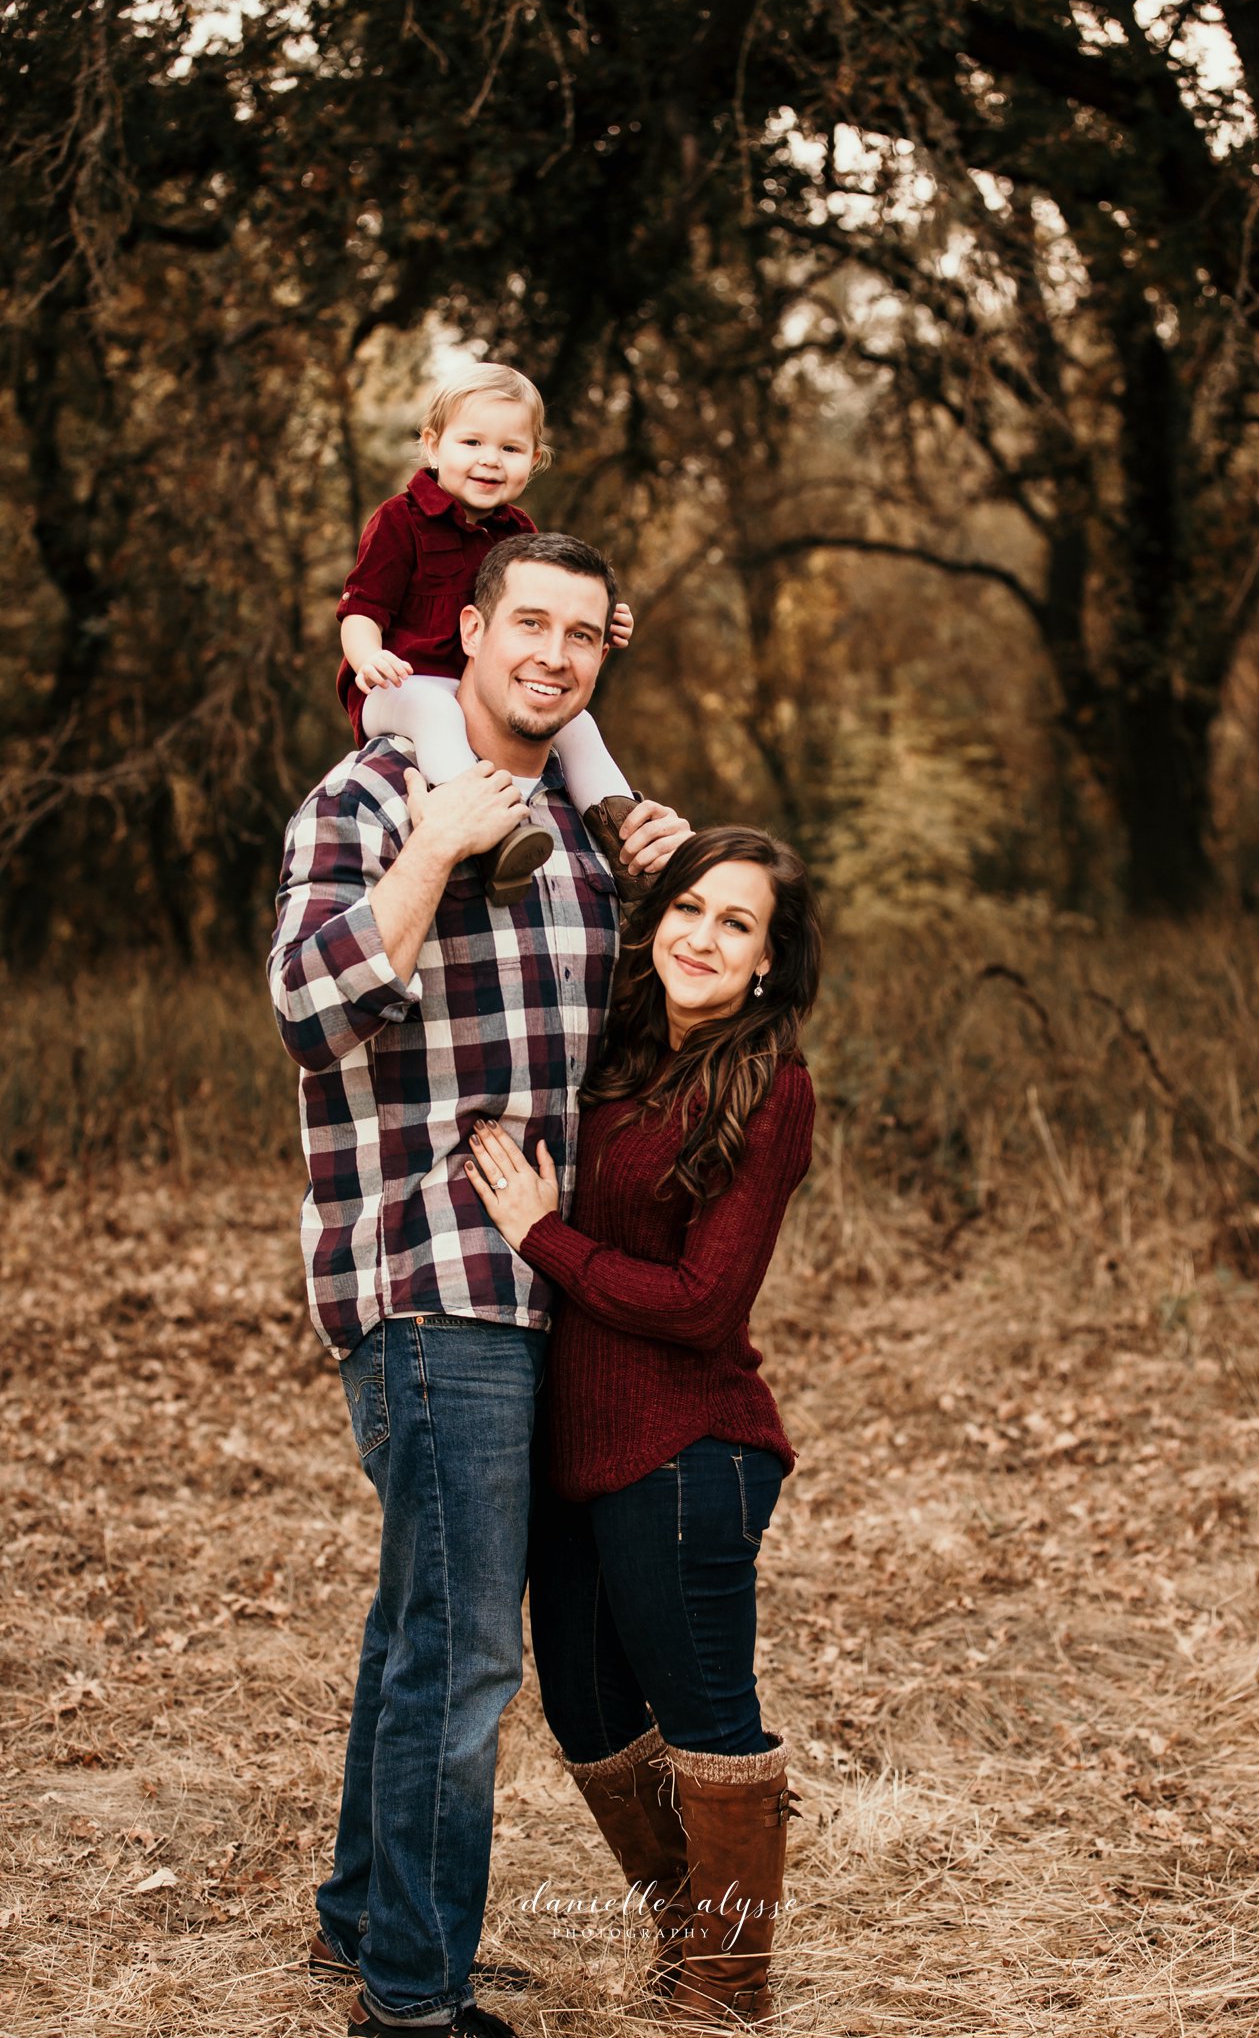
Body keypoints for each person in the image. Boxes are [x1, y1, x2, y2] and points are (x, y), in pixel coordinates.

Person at [268, 531, 690, 2038]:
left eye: (584, 635)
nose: (556, 655)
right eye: (531, 624)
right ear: (472, 630)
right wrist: (438, 841)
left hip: (545, 1282)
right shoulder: (371, 796)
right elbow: (310, 1007)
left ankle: (369, 1926)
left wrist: (679, 876)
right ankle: (415, 1999)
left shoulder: (585, 831)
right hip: (429, 1273)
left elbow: (641, 1047)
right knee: (463, 1652)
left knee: (418, 1626)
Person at [464, 825, 821, 2029]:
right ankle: (690, 1935)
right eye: (688, 907)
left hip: (689, 1449)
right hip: (577, 1450)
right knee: (588, 1713)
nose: (702, 936)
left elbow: (703, 1301)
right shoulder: (620, 1051)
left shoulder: (770, 1082)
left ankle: (728, 1987)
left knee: (710, 1720)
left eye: (738, 922)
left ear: (770, 961)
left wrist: (542, 1233)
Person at [335, 361, 642, 905]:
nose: (489, 460)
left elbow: (549, 609)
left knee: (579, 723)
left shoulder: (520, 532)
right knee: (435, 712)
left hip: (472, 690)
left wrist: (606, 623)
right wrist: (367, 659)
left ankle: (628, 847)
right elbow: (362, 608)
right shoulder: (399, 520)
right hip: (398, 687)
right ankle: (499, 837)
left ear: (534, 461)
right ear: (433, 446)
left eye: (509, 448)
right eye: (472, 441)